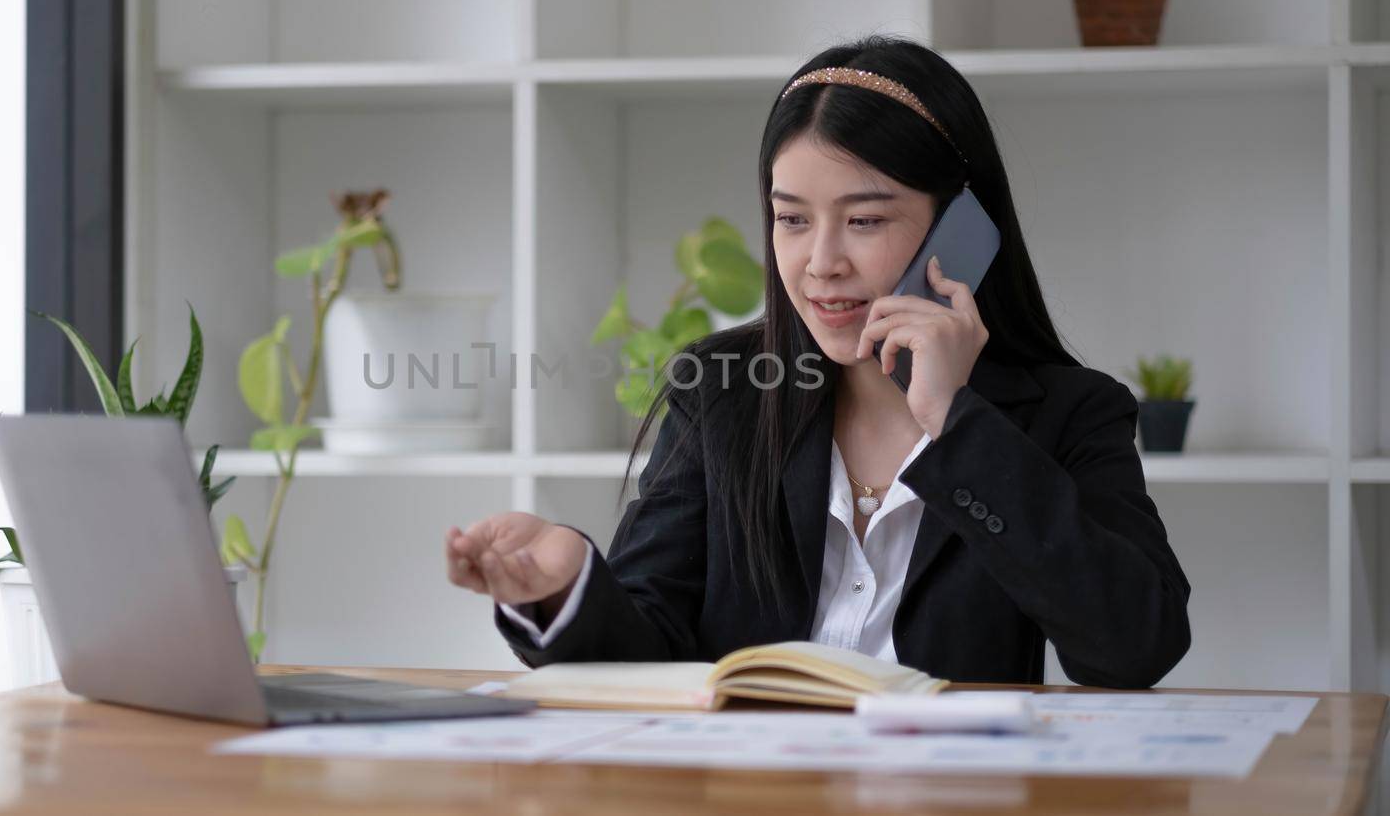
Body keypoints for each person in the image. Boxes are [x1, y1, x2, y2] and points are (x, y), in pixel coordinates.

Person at [443, 34, 1191, 688]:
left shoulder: (1067, 410)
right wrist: (570, 584)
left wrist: (954, 421)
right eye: (792, 219)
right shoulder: (723, 391)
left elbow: (1135, 648)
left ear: (961, 228)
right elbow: (651, 649)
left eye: (864, 220)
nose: (820, 263)